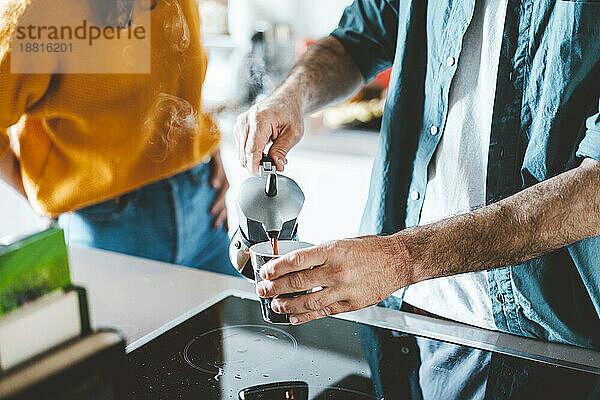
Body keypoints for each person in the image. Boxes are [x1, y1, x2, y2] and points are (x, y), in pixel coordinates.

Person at [234, 0, 600, 350]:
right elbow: (358, 38)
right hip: (404, 314)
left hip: (546, 334)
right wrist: (293, 95)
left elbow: (594, 189)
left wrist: (401, 259)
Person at [0, 0, 238, 275]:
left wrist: (210, 148)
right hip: (107, 232)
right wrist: (41, 197)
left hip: (204, 211)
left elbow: (178, 79)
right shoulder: (40, 10)